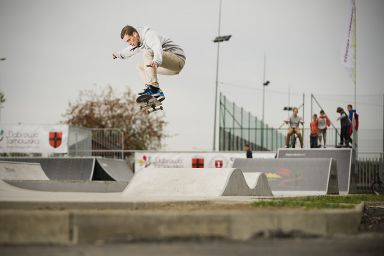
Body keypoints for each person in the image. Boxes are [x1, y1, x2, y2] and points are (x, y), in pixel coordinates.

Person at [112, 25, 186, 102]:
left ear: (135, 34)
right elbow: (130, 50)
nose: (129, 43)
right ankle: (153, 92)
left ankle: (154, 88)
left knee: (147, 53)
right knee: (140, 67)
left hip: (177, 59)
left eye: (129, 40)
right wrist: (119, 54)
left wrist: (156, 61)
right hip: (171, 68)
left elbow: (157, 47)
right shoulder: (139, 42)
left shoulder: (149, 35)